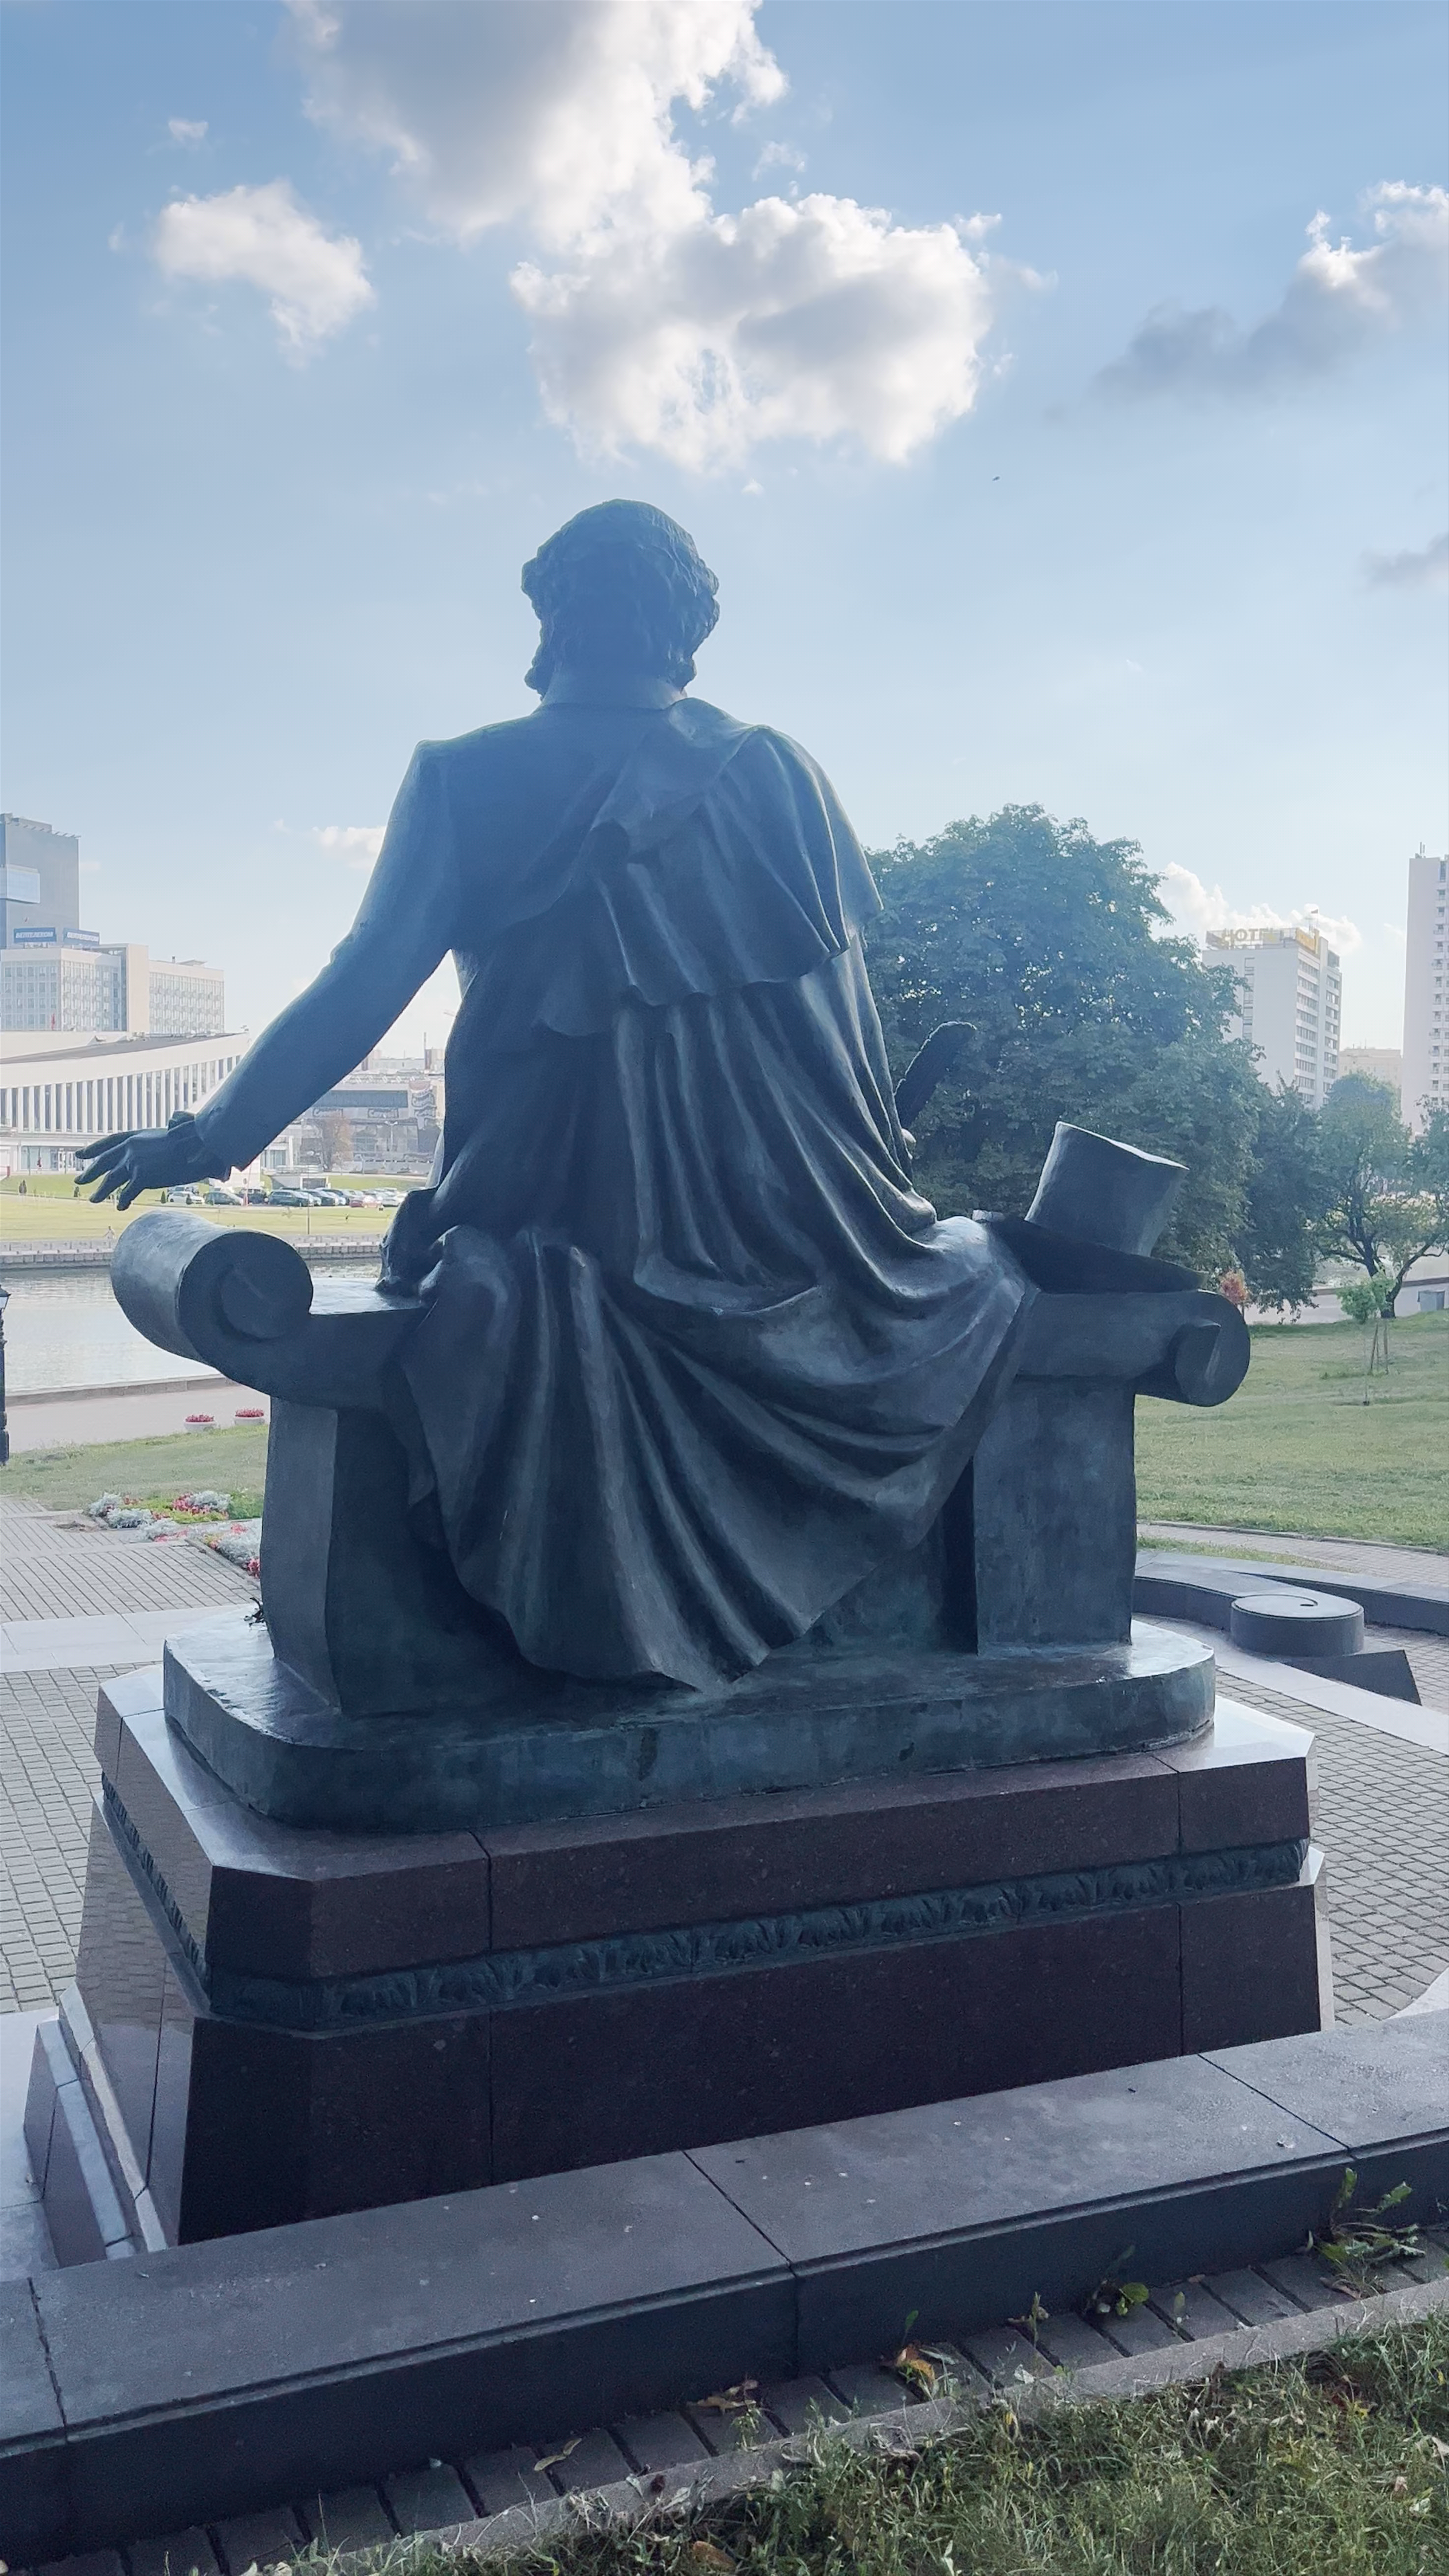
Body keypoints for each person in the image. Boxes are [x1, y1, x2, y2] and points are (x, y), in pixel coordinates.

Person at [80, 502, 1029, 1689]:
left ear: (552, 616)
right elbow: (842, 1018)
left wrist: (209, 1138)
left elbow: (362, 984)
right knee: (984, 1267)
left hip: (548, 1204)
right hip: (786, 1225)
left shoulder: (466, 777)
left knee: (488, 1281)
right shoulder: (778, 772)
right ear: (688, 629)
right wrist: (875, 1185)